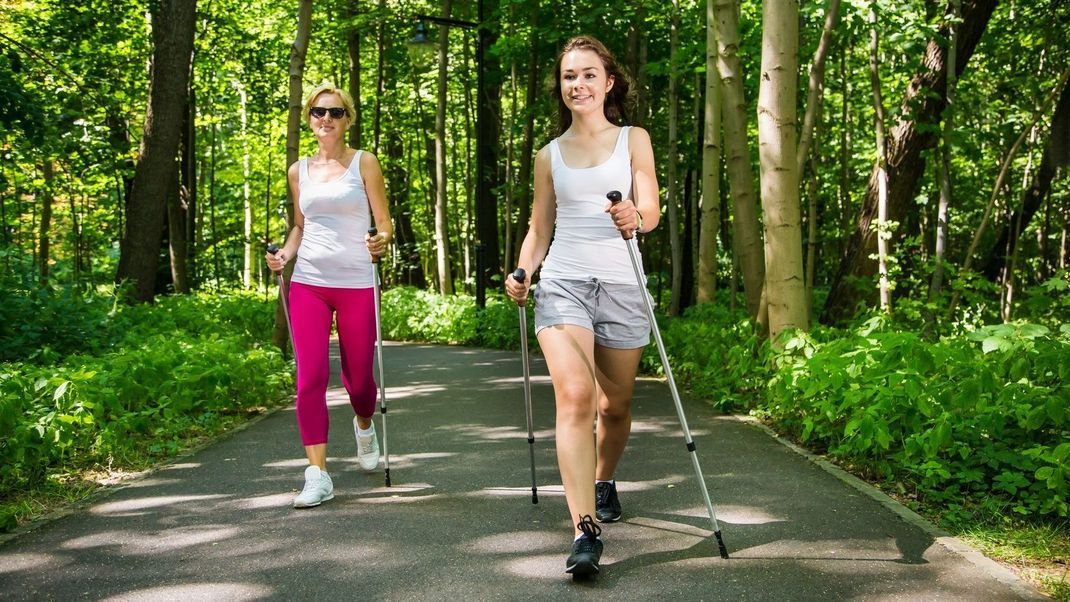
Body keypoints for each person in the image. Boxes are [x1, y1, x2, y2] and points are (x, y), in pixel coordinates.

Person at [505, 35, 660, 577]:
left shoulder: (633, 140)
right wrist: (523, 271)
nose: (579, 84)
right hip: (565, 282)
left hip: (622, 284)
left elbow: (652, 210)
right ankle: (584, 531)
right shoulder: (548, 155)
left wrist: (633, 218)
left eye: (589, 74)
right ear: (561, 86)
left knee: (613, 406)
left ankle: (603, 478)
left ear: (609, 82)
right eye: (570, 76)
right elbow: (539, 228)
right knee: (575, 396)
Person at [266, 84, 393, 509]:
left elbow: (384, 223)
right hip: (309, 283)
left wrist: (381, 242)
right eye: (319, 111)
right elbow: (300, 225)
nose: (326, 119)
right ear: (309, 117)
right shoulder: (297, 170)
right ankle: (318, 474)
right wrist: (286, 253)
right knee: (310, 377)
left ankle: (363, 421)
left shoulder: (364, 163)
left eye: (335, 112)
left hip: (357, 281)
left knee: (359, 380)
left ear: (347, 119)